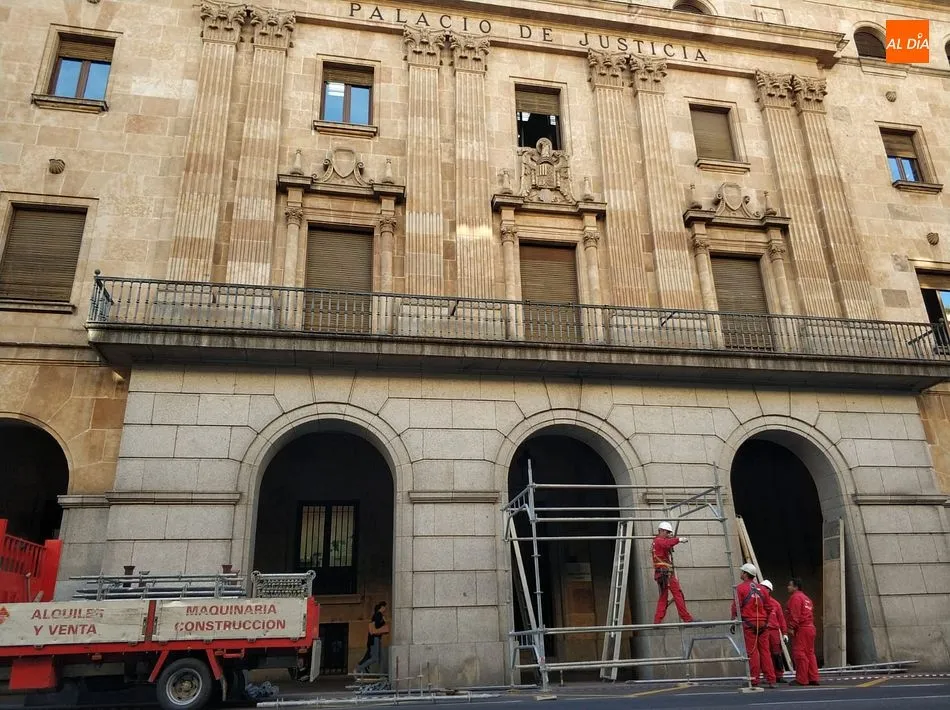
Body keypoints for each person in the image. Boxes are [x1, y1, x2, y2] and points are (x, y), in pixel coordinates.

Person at [731, 563, 775, 688]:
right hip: (762, 624)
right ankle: (771, 679)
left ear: (745, 574)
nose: (741, 574)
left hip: (749, 624)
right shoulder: (762, 589)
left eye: (742, 572)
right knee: (765, 652)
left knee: (753, 652)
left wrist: (733, 619)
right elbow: (769, 607)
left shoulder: (740, 589)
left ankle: (754, 679)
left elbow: (736, 606)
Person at [652, 521, 694, 624]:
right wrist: (678, 540)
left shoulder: (656, 542)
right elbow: (666, 544)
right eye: (667, 532)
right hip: (666, 574)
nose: (668, 535)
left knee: (663, 597)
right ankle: (686, 618)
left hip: (661, 574)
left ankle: (657, 620)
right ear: (661, 531)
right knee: (678, 594)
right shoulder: (659, 541)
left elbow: (665, 547)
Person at [786, 578, 820, 686]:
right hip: (810, 628)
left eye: (790, 585)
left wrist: (791, 627)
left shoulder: (795, 598)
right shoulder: (807, 599)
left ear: (795, 587)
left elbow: (795, 614)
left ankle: (802, 679)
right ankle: (813, 678)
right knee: (810, 653)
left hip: (801, 629)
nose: (788, 587)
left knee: (799, 653)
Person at [761, 580, 789, 683]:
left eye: (764, 588)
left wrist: (785, 633)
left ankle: (779, 675)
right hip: (763, 630)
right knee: (765, 654)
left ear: (768, 590)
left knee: (777, 654)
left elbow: (781, 619)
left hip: (773, 631)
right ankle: (768, 675)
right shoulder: (757, 602)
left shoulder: (775, 604)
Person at [355, 601, 389, 674]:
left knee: (381, 658)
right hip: (375, 639)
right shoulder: (378, 615)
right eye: (385, 607)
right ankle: (360, 668)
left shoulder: (377, 615)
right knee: (375, 658)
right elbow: (377, 625)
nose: (385, 609)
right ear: (382, 607)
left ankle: (381, 674)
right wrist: (384, 621)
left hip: (376, 638)